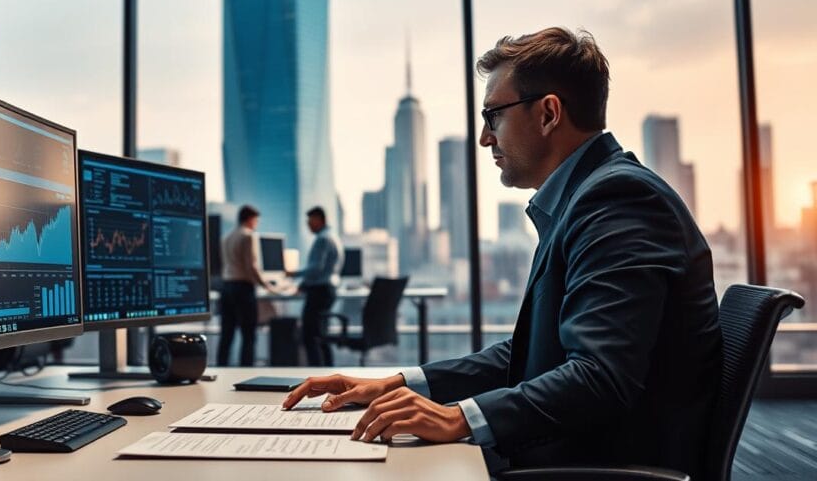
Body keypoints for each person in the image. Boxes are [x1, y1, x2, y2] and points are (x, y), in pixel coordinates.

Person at [283, 27, 723, 478]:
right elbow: (532, 352)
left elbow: (600, 376)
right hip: (573, 451)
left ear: (549, 113)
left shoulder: (617, 199)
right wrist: (398, 383)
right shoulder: (589, 196)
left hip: (595, 464)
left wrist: (457, 418)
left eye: (493, 116)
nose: (484, 138)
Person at [217, 205, 277, 367]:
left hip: (226, 287)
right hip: (243, 288)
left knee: (227, 334)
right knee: (248, 334)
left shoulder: (226, 237)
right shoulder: (249, 236)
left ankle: (221, 367)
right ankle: (246, 369)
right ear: (250, 219)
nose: (256, 223)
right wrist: (267, 286)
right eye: (256, 220)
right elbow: (252, 266)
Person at [286, 206, 343, 367]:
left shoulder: (322, 239)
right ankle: (327, 372)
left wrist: (296, 277)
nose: (308, 225)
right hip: (328, 290)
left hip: (319, 291)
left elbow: (315, 269)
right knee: (321, 335)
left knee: (310, 336)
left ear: (319, 219)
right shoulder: (333, 236)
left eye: (310, 221)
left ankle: (317, 373)